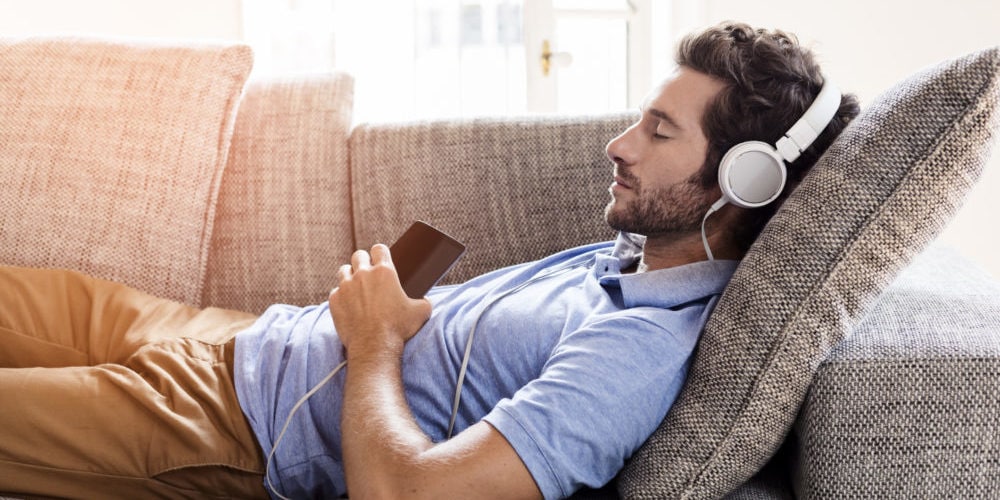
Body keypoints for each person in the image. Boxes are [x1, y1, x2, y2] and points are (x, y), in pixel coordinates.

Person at [0, 21, 859, 499]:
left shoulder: (633, 360)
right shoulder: (635, 257)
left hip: (228, 427)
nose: (619, 144)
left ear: (740, 183)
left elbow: (404, 496)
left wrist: (374, 341)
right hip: (235, 334)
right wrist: (376, 315)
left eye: (659, 132)